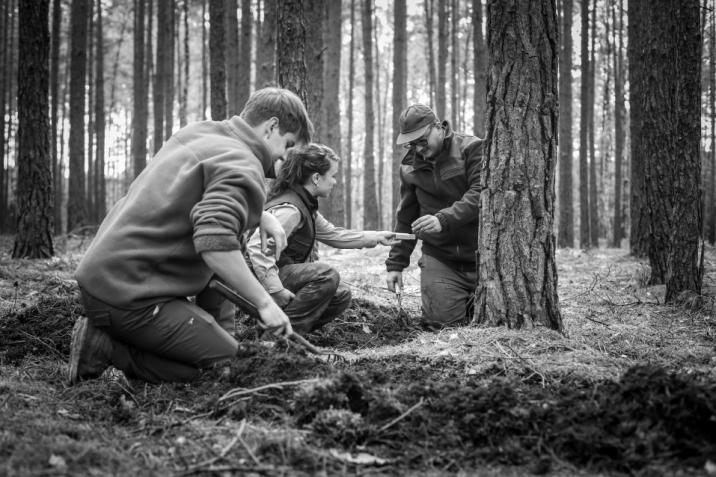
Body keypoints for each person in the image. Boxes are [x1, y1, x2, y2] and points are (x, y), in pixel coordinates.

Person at [69, 87, 313, 384]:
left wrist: (259, 214)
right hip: (130, 297)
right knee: (225, 372)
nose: (287, 158)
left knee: (227, 353)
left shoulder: (201, 133)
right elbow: (216, 246)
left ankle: (133, 341)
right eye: (288, 145)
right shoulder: (243, 165)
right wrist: (265, 304)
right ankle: (109, 348)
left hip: (103, 279)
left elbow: (193, 193)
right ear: (271, 127)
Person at [247, 143, 395, 334]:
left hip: (274, 275)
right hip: (257, 280)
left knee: (340, 294)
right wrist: (276, 290)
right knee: (326, 274)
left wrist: (376, 237)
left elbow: (334, 234)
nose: (335, 182)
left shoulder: (304, 205)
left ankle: (288, 331)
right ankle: (276, 338)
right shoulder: (290, 210)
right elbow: (256, 248)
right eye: (332, 176)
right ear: (316, 178)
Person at [385, 103, 483, 330]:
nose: (418, 149)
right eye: (412, 143)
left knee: (490, 321)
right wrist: (396, 264)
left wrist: (443, 219)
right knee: (440, 327)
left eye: (422, 140)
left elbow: (480, 193)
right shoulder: (409, 169)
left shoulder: (471, 148)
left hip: (482, 256)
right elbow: (406, 216)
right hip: (441, 258)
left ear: (438, 127)